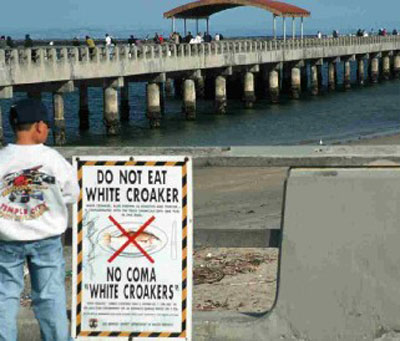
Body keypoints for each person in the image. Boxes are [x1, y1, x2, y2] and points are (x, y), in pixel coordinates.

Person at [0, 98, 79, 341]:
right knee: (50, 297)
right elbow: (71, 193)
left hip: (6, 239)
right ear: (39, 126)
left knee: (4, 297)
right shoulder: (53, 159)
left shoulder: (2, 158)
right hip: (46, 238)